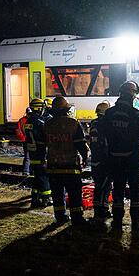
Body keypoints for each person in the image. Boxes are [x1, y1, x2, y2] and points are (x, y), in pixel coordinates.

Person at [101, 81, 139, 234]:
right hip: (133, 160)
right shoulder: (136, 114)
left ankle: (117, 222)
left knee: (118, 190)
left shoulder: (109, 113)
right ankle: (135, 223)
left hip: (115, 159)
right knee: (135, 192)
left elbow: (104, 136)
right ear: (132, 96)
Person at [43, 96, 89, 226]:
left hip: (53, 166)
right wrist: (85, 158)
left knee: (57, 194)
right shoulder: (73, 123)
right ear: (66, 110)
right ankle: (77, 218)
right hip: (70, 167)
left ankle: (60, 217)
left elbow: (42, 145)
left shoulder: (48, 124)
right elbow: (81, 144)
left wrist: (42, 160)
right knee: (74, 194)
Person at [24, 98, 52, 208]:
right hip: (40, 153)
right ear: (40, 108)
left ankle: (35, 198)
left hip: (32, 153)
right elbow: (45, 138)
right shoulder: (40, 122)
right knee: (44, 176)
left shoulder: (28, 121)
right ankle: (46, 199)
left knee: (37, 176)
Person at [89, 101, 111, 223]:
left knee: (99, 185)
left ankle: (101, 209)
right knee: (104, 186)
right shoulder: (105, 124)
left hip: (95, 159)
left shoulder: (93, 124)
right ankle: (101, 211)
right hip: (104, 160)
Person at [16, 105, 35, 176]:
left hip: (27, 141)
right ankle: (26, 171)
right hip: (29, 141)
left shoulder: (22, 120)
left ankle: (27, 170)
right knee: (29, 157)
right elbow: (18, 131)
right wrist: (24, 138)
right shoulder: (31, 120)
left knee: (27, 156)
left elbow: (18, 131)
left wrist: (23, 138)